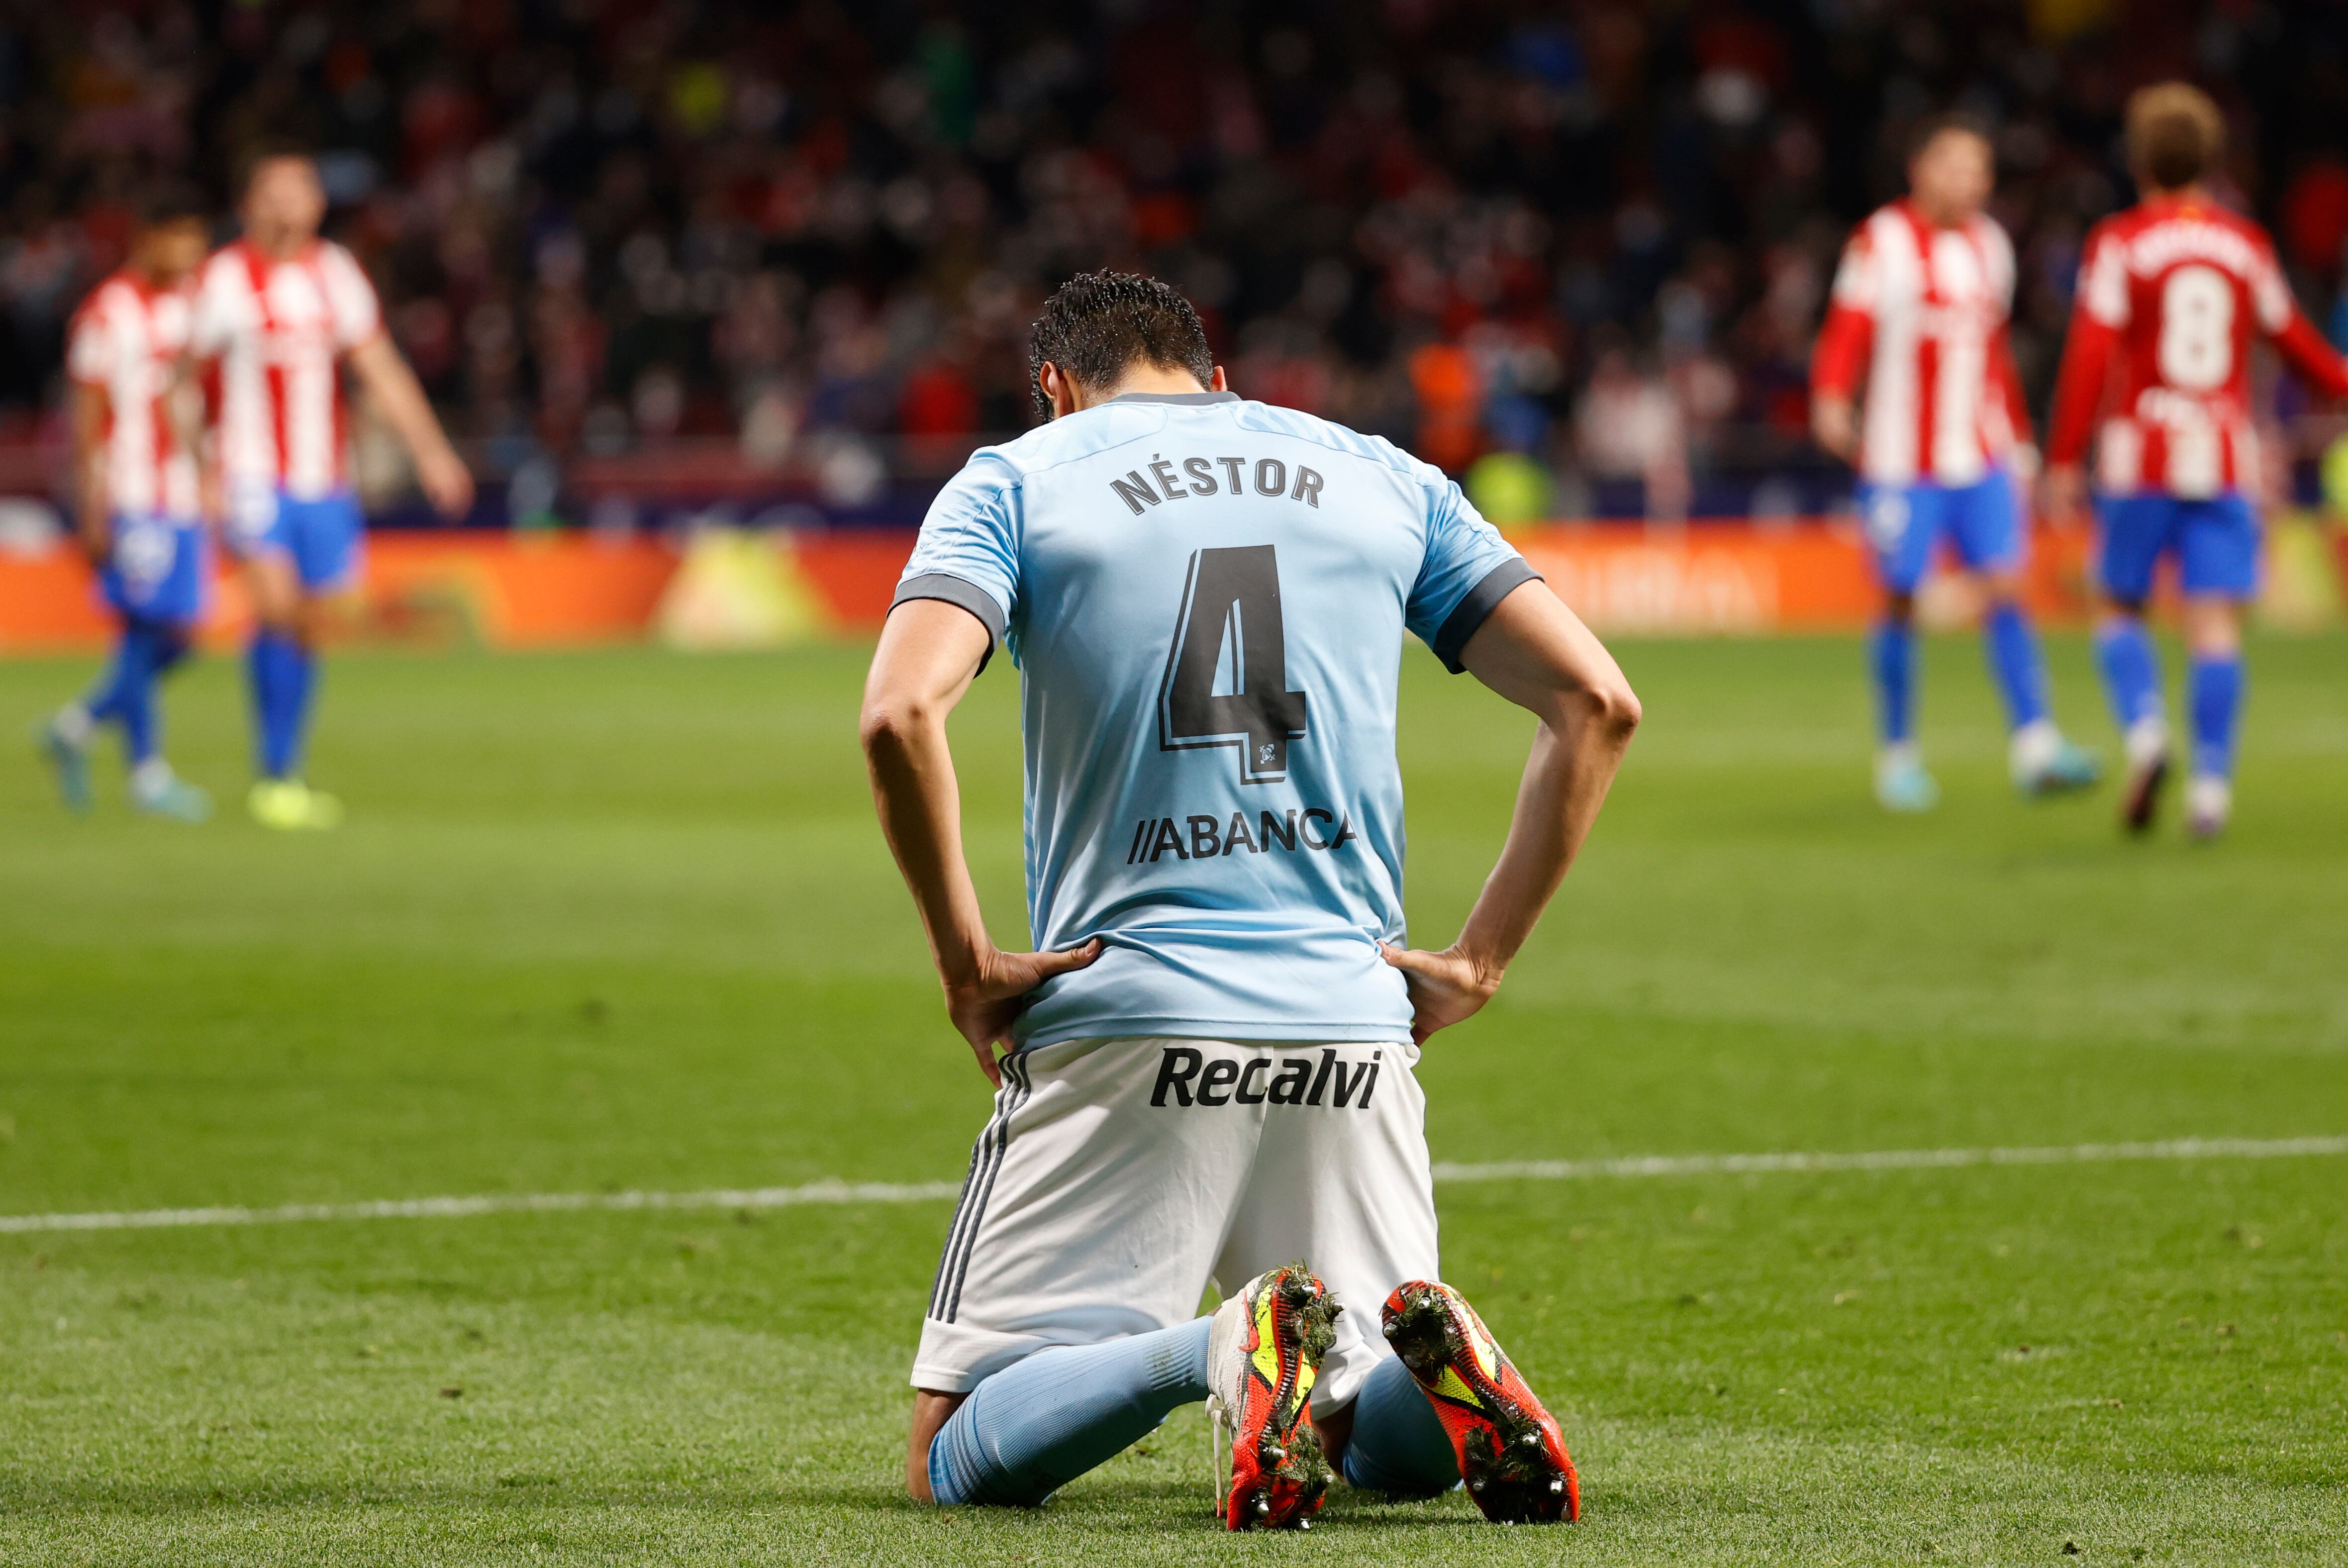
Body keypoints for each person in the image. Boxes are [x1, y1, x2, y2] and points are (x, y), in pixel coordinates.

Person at [860, 271, 1640, 1529]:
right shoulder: (1378, 471)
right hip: (1351, 1015)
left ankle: (1217, 1349)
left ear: (1053, 390)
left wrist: (966, 962)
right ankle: (1433, 1380)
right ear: (1217, 383)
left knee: (952, 1449)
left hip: (1124, 1008)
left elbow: (900, 712)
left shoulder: (1017, 479)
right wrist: (1479, 960)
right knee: (1369, 1418)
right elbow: (1597, 703)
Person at [2044, 84, 2348, 839]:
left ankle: (2147, 738)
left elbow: (2089, 352)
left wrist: (2061, 455)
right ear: (2212, 160)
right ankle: (2211, 790)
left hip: (2139, 454)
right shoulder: (2245, 245)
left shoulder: (2118, 243)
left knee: (2120, 606)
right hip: (2222, 454)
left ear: (2139, 159)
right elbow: (2300, 347)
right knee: (2214, 627)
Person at [1812, 115, 2100, 812]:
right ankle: (1898, 757)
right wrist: (1829, 397)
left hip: (1981, 457)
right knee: (1902, 599)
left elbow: (1994, 352)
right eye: (1954, 167)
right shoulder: (1880, 240)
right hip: (1900, 461)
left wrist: (2021, 441)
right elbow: (1847, 330)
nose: (1967, 182)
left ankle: (2036, 747)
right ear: (1921, 170)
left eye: (1979, 170)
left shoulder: (1991, 246)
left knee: (2008, 587)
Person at [185, 149, 473, 830]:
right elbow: (182, 383)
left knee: (312, 624)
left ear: (318, 202)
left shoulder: (335, 273)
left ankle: (284, 768)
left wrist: (432, 452)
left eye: (301, 191)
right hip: (248, 473)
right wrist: (199, 471)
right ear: (249, 202)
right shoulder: (223, 280)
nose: (288, 205)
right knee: (278, 608)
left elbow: (379, 364)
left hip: (324, 479)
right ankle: (274, 774)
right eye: (274, 192)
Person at [37, 185, 217, 822]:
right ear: (148, 239)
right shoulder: (106, 314)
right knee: (142, 633)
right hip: (131, 493)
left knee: (183, 638)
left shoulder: (190, 306)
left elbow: (189, 404)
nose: (193, 250)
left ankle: (76, 726)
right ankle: (147, 773)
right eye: (181, 237)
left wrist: (207, 475)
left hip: (181, 496)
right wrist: (90, 506)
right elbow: (86, 418)